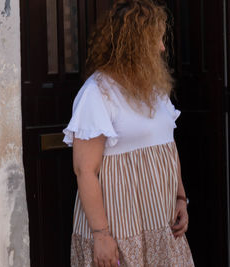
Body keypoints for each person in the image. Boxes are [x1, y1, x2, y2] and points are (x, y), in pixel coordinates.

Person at [62, 0, 195, 266]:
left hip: (161, 223)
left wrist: (181, 197)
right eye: (156, 40)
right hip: (120, 229)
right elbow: (84, 170)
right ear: (135, 45)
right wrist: (101, 236)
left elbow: (168, 146)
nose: (162, 47)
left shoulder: (155, 90)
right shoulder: (97, 92)